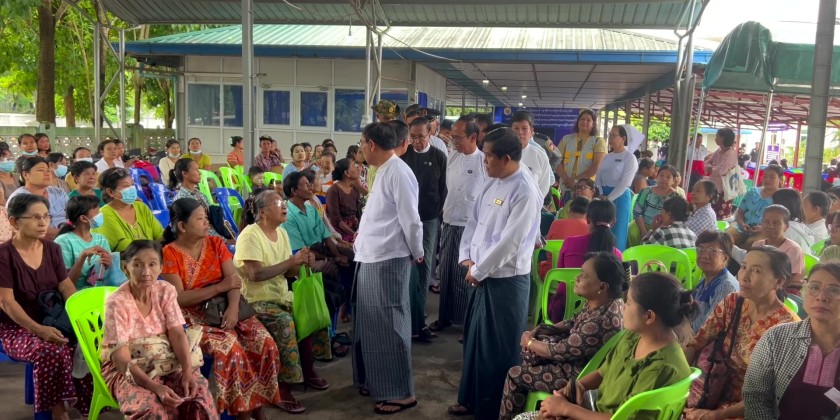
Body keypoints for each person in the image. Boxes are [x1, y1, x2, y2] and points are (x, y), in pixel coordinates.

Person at [449, 127, 542, 420]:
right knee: (475, 340)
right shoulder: (492, 180)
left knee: (497, 348)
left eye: (488, 156)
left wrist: (480, 270)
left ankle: (492, 409)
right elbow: (473, 222)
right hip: (478, 273)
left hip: (505, 281)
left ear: (506, 158)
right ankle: (470, 398)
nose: (484, 161)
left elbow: (511, 242)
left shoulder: (525, 190)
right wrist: (467, 257)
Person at [160, 198, 280, 419]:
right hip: (193, 316)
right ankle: (241, 413)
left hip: (226, 306)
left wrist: (233, 309)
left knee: (265, 343)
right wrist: (219, 288)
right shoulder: (170, 253)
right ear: (182, 226)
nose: (207, 223)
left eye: (206, 218)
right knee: (232, 351)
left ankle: (258, 408)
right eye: (200, 219)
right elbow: (180, 299)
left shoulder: (216, 243)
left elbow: (233, 281)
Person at [516, 272, 693, 420]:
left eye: (628, 303)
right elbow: (603, 372)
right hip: (596, 410)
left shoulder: (661, 368)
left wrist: (566, 409)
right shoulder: (635, 336)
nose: (622, 308)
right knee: (544, 412)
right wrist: (576, 387)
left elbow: (620, 418)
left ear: (649, 317)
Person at [233, 190, 330, 414]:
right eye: (277, 203)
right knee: (285, 323)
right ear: (263, 213)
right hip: (255, 300)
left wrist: (302, 262)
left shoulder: (282, 233)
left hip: (280, 296)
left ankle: (308, 369)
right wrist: (291, 261)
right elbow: (255, 274)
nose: (284, 205)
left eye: (282, 201)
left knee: (311, 311)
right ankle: (281, 389)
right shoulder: (250, 235)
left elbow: (288, 273)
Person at [499, 252, 627, 420]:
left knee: (515, 374)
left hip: (578, 374)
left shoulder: (601, 321)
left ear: (602, 287)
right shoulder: (604, 303)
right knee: (534, 351)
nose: (577, 278)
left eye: (584, 275)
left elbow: (560, 351)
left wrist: (529, 342)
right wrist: (543, 329)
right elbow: (572, 321)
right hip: (577, 361)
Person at [351, 122, 422, 415]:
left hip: (388, 258)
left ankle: (401, 392)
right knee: (371, 325)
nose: (360, 148)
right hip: (371, 257)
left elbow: (411, 220)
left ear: (371, 144)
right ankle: (377, 380)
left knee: (390, 325)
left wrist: (417, 252)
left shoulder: (399, 172)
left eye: (361, 143)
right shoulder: (382, 170)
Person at [0, 194, 92, 420]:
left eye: (46, 216)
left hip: (53, 318)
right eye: (35, 218)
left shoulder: (52, 249)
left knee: (87, 342)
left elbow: (66, 286)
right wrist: (38, 330)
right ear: (14, 221)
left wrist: (81, 318)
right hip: (16, 327)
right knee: (50, 350)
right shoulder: (4, 255)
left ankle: (88, 407)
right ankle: (56, 412)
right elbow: (6, 302)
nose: (43, 223)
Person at [100, 240, 216, 419]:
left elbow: (177, 334)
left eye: (152, 264)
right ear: (125, 268)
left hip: (165, 358)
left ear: (161, 267)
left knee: (198, 397)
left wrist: (187, 372)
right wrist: (155, 387)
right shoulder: (117, 302)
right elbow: (122, 360)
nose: (146, 272)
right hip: (129, 369)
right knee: (152, 408)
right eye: (137, 265)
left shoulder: (165, 290)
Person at [683, 246, 799, 420]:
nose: (744, 276)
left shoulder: (788, 328)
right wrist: (679, 386)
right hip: (712, 391)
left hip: (750, 409)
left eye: (756, 271)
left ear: (779, 281)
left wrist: (715, 416)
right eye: (743, 267)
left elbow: (769, 395)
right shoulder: (733, 302)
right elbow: (696, 342)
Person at [743, 261, 840, 419]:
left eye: (834, 290)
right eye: (814, 287)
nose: (821, 297)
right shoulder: (776, 338)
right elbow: (755, 396)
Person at [281, 171, 350, 354]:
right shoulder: (289, 215)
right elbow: (299, 250)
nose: (311, 187)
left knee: (352, 260)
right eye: (306, 184)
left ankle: (342, 315)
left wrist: (337, 254)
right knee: (331, 272)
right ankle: (327, 335)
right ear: (294, 191)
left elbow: (326, 237)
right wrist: (331, 259)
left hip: (321, 250)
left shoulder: (311, 209)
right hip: (304, 258)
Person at [431, 116, 488, 334]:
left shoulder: (483, 162)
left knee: (464, 275)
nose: (453, 141)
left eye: (458, 137)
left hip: (470, 227)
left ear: (473, 137)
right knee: (446, 272)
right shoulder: (452, 157)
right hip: (449, 222)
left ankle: (467, 323)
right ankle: (444, 317)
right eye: (452, 137)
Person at [401, 116, 448, 342]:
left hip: (428, 220)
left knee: (424, 267)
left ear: (431, 134)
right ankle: (410, 320)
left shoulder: (438, 156)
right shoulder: (404, 155)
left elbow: (443, 189)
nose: (417, 141)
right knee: (407, 267)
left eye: (421, 136)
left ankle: (419, 322)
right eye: (413, 137)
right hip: (405, 220)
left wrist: (435, 214)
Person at [92, 168, 164, 252]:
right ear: (110, 192)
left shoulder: (141, 207)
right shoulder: (104, 214)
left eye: (132, 184)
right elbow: (124, 248)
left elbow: (159, 235)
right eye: (126, 186)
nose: (132, 188)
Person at [595, 124, 641, 250]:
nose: (611, 138)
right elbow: (598, 177)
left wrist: (609, 198)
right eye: (610, 135)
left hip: (619, 196)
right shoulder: (607, 157)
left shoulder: (629, 158)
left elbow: (625, 182)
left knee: (618, 231)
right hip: (602, 195)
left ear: (623, 138)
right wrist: (600, 193)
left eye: (614, 136)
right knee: (601, 230)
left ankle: (617, 257)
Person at [54, 195, 113, 290]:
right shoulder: (63, 241)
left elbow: (108, 274)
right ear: (83, 218)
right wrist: (83, 256)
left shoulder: (101, 239)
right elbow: (66, 284)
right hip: (77, 294)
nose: (100, 215)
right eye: (97, 212)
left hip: (100, 291)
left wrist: (108, 264)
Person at [7, 156, 69, 239]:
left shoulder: (59, 192)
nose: (47, 173)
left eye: (48, 170)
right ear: (26, 175)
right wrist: (69, 233)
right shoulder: (19, 198)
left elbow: (73, 214)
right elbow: (30, 229)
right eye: (41, 170)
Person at [689, 231, 739, 332]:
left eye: (712, 250)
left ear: (725, 257)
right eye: (700, 249)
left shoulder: (726, 286)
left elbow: (709, 329)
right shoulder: (706, 279)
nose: (704, 255)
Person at [751, 205, 806, 295]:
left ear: (786, 226)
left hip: (784, 291)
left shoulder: (793, 249)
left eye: (776, 223)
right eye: (766, 222)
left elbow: (785, 281)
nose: (770, 226)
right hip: (759, 286)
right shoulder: (757, 245)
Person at [728, 164, 784, 247]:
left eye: (772, 177)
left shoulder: (781, 198)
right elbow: (740, 211)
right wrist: (742, 224)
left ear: (780, 179)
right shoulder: (752, 192)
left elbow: (779, 222)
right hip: (742, 228)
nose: (767, 179)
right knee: (726, 237)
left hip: (765, 231)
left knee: (752, 243)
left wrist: (762, 227)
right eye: (765, 176)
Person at [557, 199, 623, 269]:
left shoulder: (569, 243)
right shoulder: (617, 256)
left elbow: (558, 271)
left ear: (587, 219)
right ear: (613, 222)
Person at [170, 158, 226, 239]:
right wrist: (221, 240)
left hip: (213, 235)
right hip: (201, 240)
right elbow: (194, 230)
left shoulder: (199, 193)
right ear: (185, 173)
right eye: (196, 170)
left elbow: (210, 219)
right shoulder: (182, 199)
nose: (200, 173)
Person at [556, 109, 607, 199]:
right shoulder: (566, 139)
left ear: (593, 124)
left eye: (588, 120)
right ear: (578, 122)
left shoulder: (598, 141)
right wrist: (566, 179)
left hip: (586, 189)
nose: (584, 122)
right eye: (582, 119)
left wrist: (576, 181)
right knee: (566, 208)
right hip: (566, 187)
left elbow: (596, 166)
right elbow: (556, 160)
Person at [628, 163, 680, 247]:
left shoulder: (676, 196)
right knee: (632, 229)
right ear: (657, 177)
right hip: (643, 224)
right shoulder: (646, 191)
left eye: (668, 177)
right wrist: (643, 231)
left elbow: (677, 217)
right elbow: (637, 211)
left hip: (665, 227)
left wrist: (658, 229)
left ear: (673, 180)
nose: (664, 179)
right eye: (661, 175)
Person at [511, 110, 553, 198]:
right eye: (516, 128)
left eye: (524, 128)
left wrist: (533, 203)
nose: (520, 132)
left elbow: (544, 187)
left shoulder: (540, 155)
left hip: (532, 204)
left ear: (531, 131)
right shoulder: (501, 153)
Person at [326, 158, 364, 242]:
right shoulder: (333, 191)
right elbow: (336, 220)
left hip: (355, 228)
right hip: (340, 232)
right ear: (347, 173)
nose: (358, 168)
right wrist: (355, 234)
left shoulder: (354, 188)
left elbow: (358, 213)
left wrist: (360, 231)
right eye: (354, 166)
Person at [705, 128, 739, 218]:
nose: (715, 139)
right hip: (715, 187)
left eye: (717, 137)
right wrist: (710, 167)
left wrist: (710, 168)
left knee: (721, 215)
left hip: (725, 190)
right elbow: (707, 162)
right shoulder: (719, 150)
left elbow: (721, 170)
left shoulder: (731, 154)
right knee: (711, 213)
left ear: (723, 138)